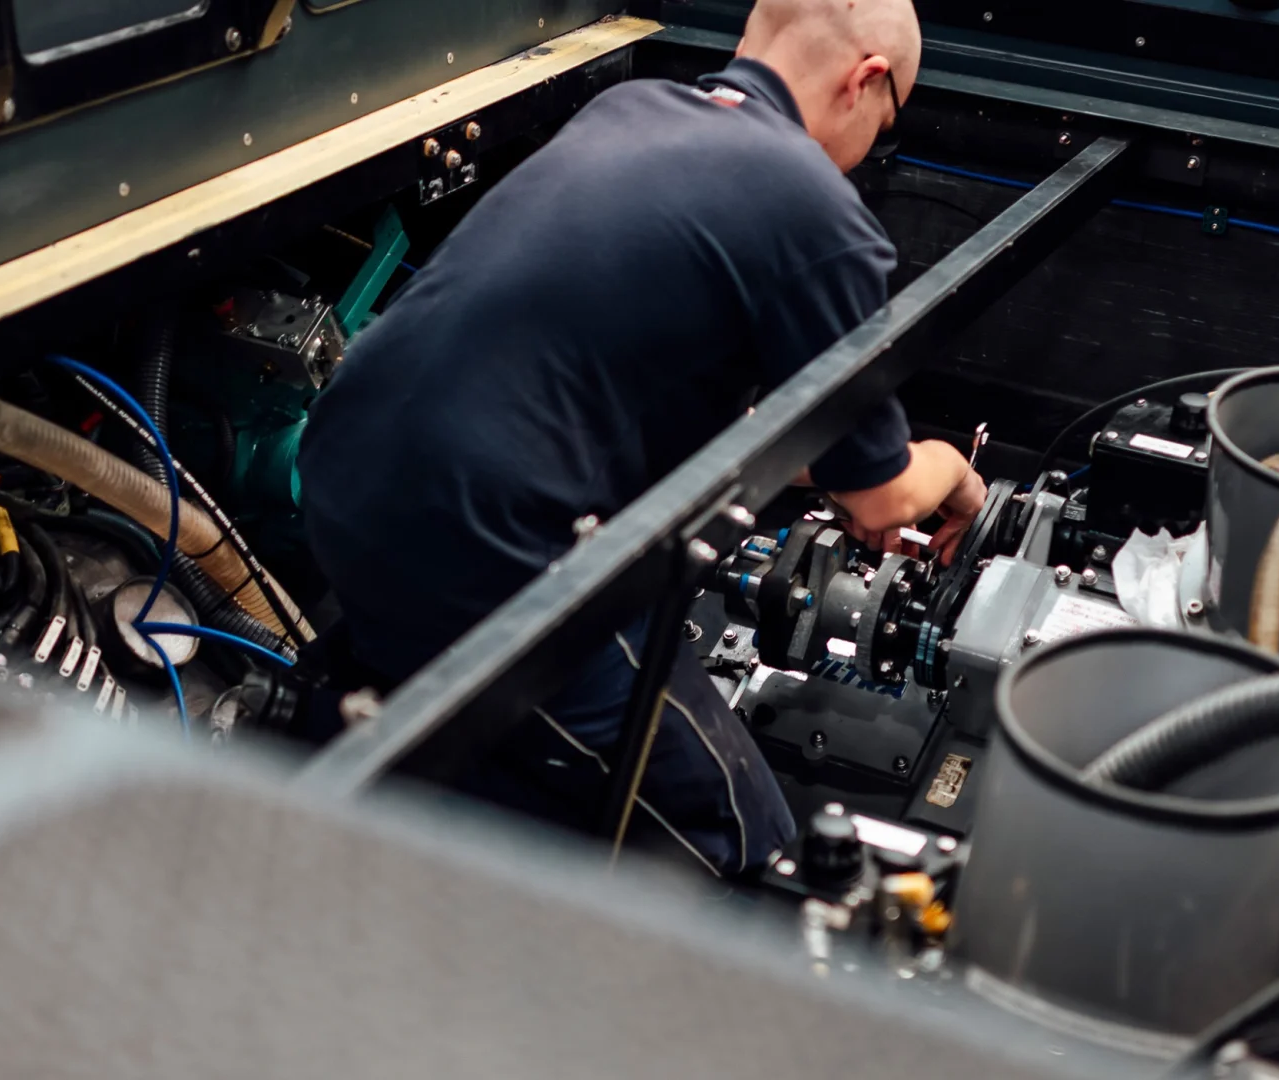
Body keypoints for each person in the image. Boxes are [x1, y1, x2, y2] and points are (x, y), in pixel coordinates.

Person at [298, 0, 987, 877]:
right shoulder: (815, 206)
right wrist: (955, 473)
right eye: (886, 130)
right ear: (866, 81)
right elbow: (885, 498)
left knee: (491, 747)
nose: (871, 153)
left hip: (341, 476)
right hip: (492, 546)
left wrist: (837, 471)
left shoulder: (629, 110)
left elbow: (714, 422)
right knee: (746, 838)